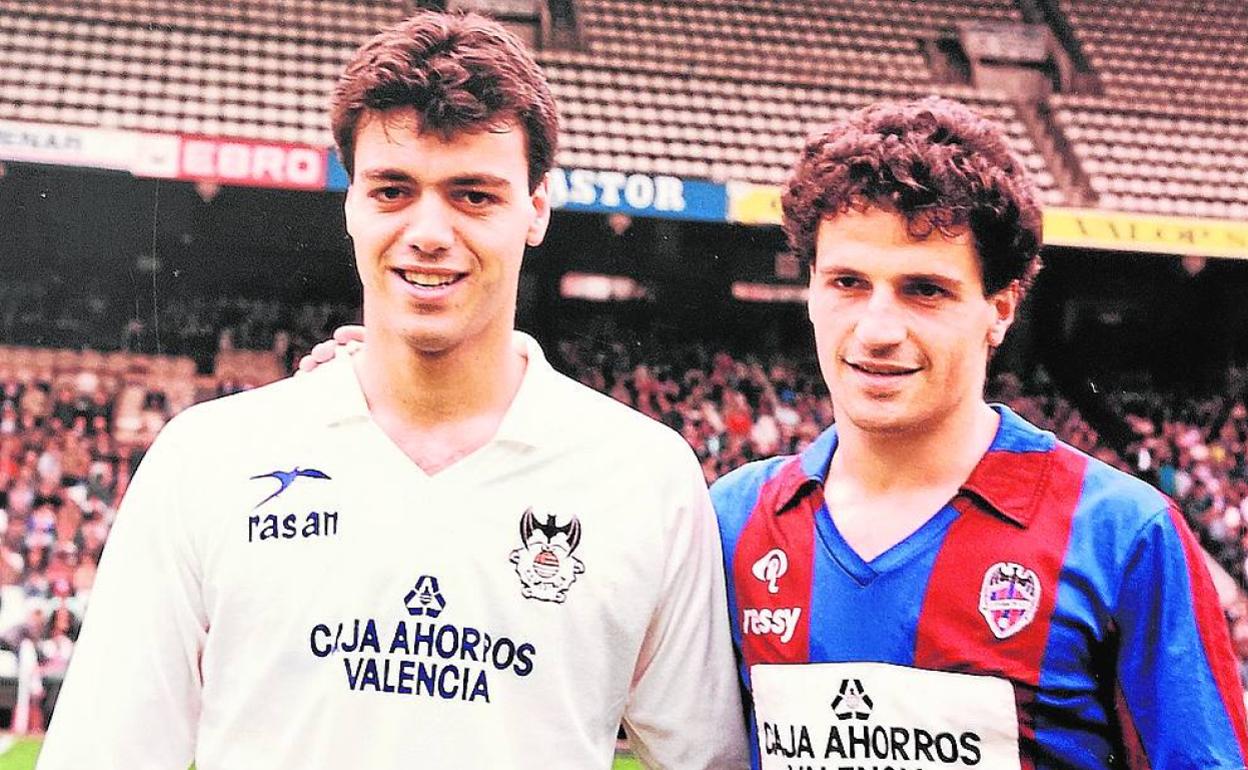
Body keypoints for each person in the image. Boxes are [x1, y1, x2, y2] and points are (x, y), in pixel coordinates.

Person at [37, 11, 746, 770]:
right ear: (350, 203)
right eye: (393, 190)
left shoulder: (645, 479)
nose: (429, 230)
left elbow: (703, 759)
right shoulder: (207, 460)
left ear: (536, 209)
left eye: (473, 195)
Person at [712, 97, 1248, 769]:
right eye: (848, 282)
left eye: (925, 290)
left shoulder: (1123, 536)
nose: (877, 329)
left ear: (999, 309)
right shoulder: (733, 522)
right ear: (811, 289)